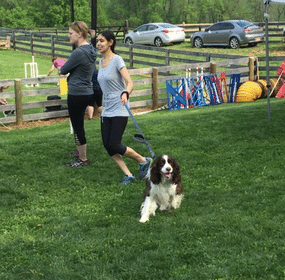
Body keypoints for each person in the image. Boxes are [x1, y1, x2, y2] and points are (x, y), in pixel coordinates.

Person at [97, 30, 152, 185]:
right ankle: (129, 175)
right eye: (98, 41)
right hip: (106, 110)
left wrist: (126, 93)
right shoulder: (100, 63)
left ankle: (142, 160)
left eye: (102, 40)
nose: (99, 44)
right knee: (107, 146)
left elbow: (130, 82)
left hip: (120, 107)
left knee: (114, 144)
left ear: (110, 42)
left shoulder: (117, 60)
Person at [60, 21, 97, 167]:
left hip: (76, 93)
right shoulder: (91, 50)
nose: (68, 36)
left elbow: (63, 70)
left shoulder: (78, 52)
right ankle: (79, 151)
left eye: (70, 33)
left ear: (79, 34)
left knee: (77, 126)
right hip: (87, 91)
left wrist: (60, 67)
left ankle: (83, 159)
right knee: (78, 125)